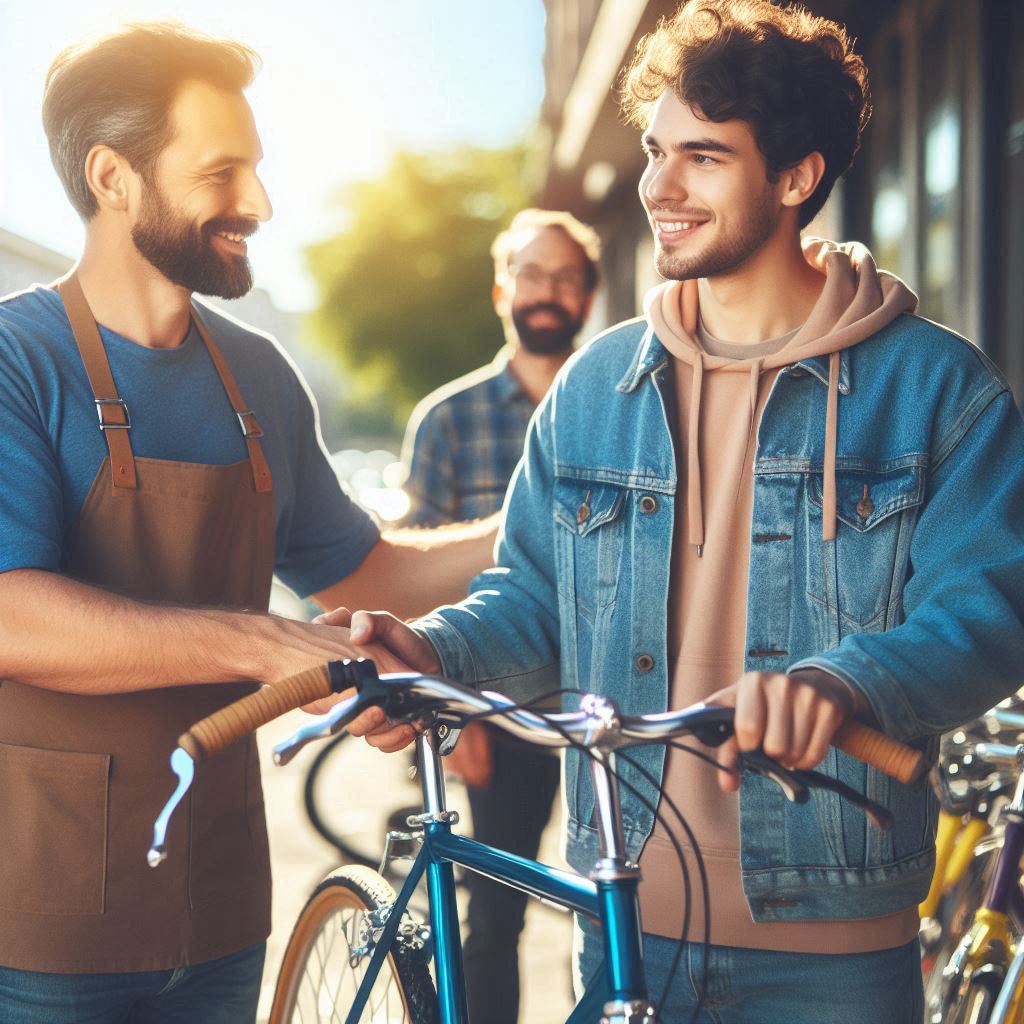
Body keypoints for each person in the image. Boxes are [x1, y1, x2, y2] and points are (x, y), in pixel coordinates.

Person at [343, 2, 1024, 1020]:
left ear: (796, 178)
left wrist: (848, 682)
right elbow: (532, 602)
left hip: (830, 944)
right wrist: (430, 649)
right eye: (656, 151)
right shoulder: (595, 388)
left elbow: (987, 612)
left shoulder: (937, 391)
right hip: (623, 922)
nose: (659, 186)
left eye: (701, 157)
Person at [0, 22, 495, 1023]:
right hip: (42, 922)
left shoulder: (258, 377)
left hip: (221, 903)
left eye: (258, 170)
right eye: (223, 172)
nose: (259, 204)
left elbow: (364, 573)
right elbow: (13, 617)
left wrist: (536, 518)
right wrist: (273, 642)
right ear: (113, 177)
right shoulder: (20, 361)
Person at [399, 208, 600, 1024]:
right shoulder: (448, 419)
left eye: (566, 276)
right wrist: (452, 714)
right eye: (532, 273)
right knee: (496, 918)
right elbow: (410, 578)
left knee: (619, 912)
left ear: (586, 294)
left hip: (609, 703)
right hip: (492, 709)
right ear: (501, 288)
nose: (548, 292)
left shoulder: (619, 406)